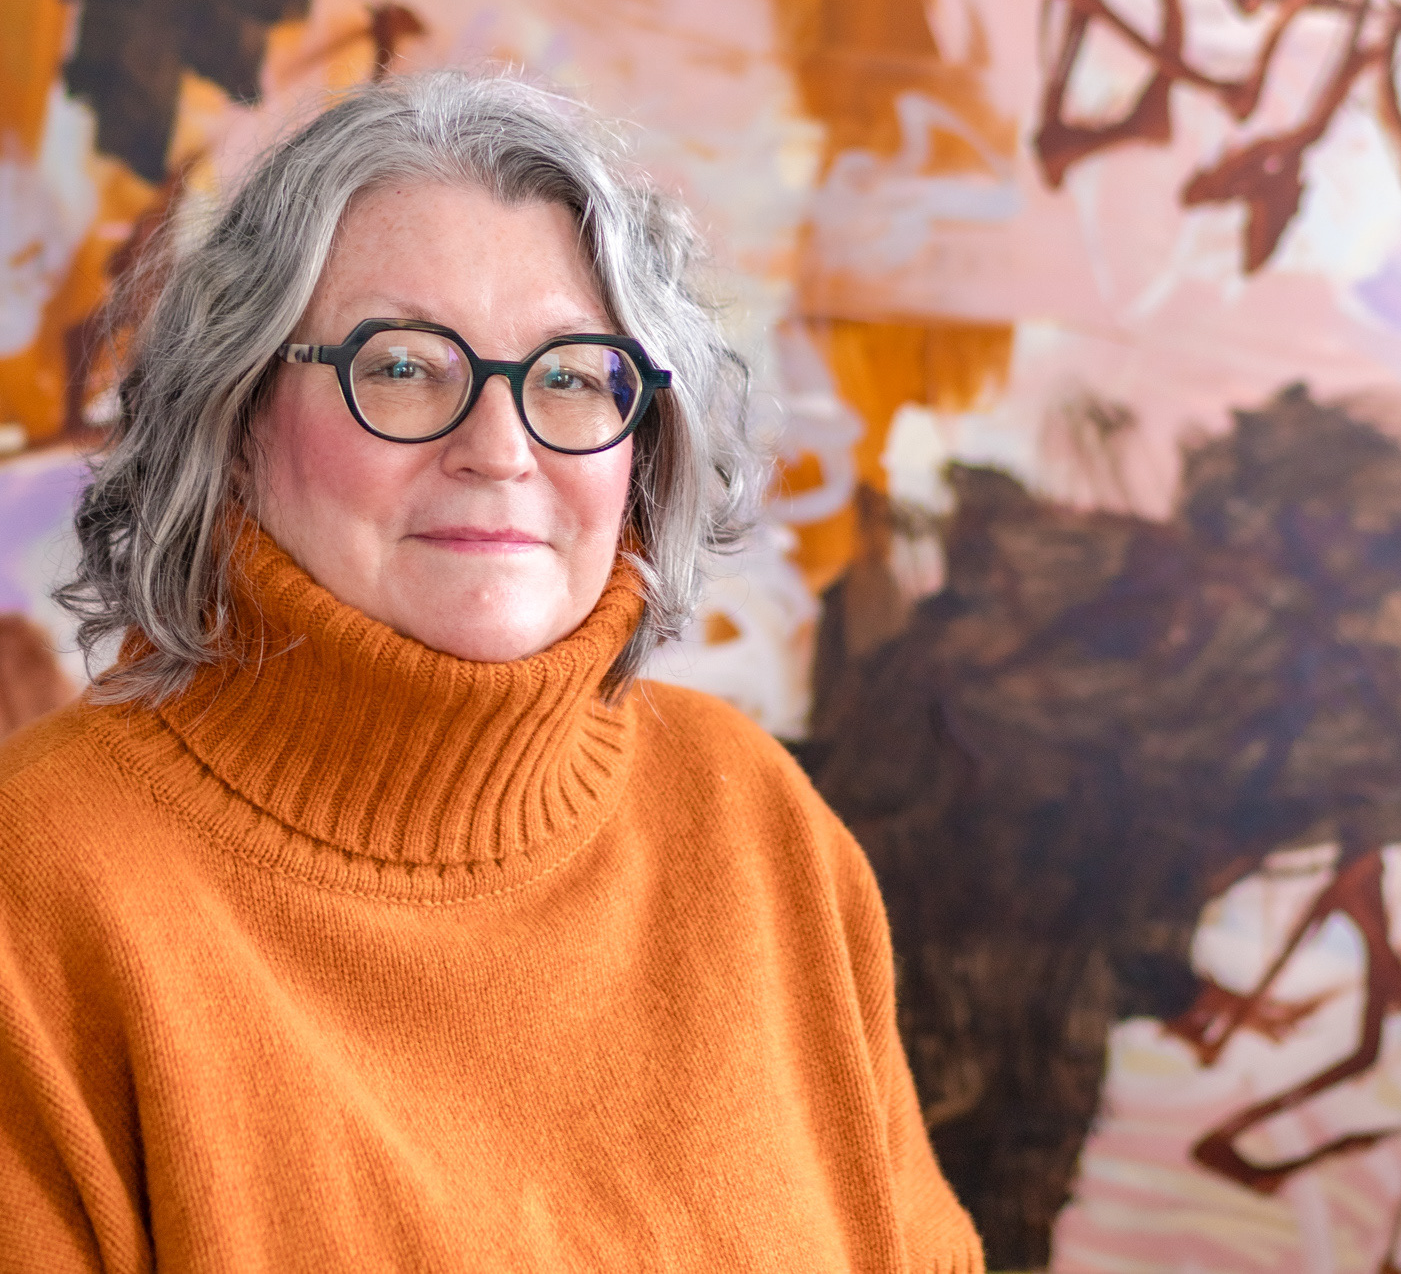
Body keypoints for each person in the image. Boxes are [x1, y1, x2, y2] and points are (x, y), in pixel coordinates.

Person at [0, 71, 983, 1274]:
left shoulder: (753, 818)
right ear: (237, 417)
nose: (500, 449)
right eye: (402, 366)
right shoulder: (37, 893)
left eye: (569, 374)